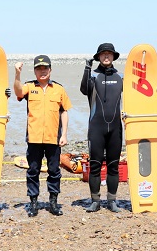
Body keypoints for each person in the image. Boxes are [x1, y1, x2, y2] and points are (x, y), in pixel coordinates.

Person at [14, 55, 72, 217]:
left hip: (54, 137)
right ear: (34, 71)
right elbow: (18, 91)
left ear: (50, 70)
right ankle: (34, 203)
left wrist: (65, 134)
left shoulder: (59, 89)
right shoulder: (29, 87)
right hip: (34, 137)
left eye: (45, 68)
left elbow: (64, 111)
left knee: (54, 171)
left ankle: (53, 202)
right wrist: (17, 74)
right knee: (33, 170)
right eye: (39, 69)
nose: (42, 71)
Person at [81, 43, 123, 212]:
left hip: (116, 128)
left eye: (109, 54)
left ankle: (112, 200)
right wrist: (86, 68)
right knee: (95, 164)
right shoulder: (92, 76)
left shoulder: (121, 76)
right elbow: (84, 90)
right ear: (98, 56)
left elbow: (140, 94)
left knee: (113, 165)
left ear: (113, 57)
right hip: (96, 127)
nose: (106, 56)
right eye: (103, 54)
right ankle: (95, 200)